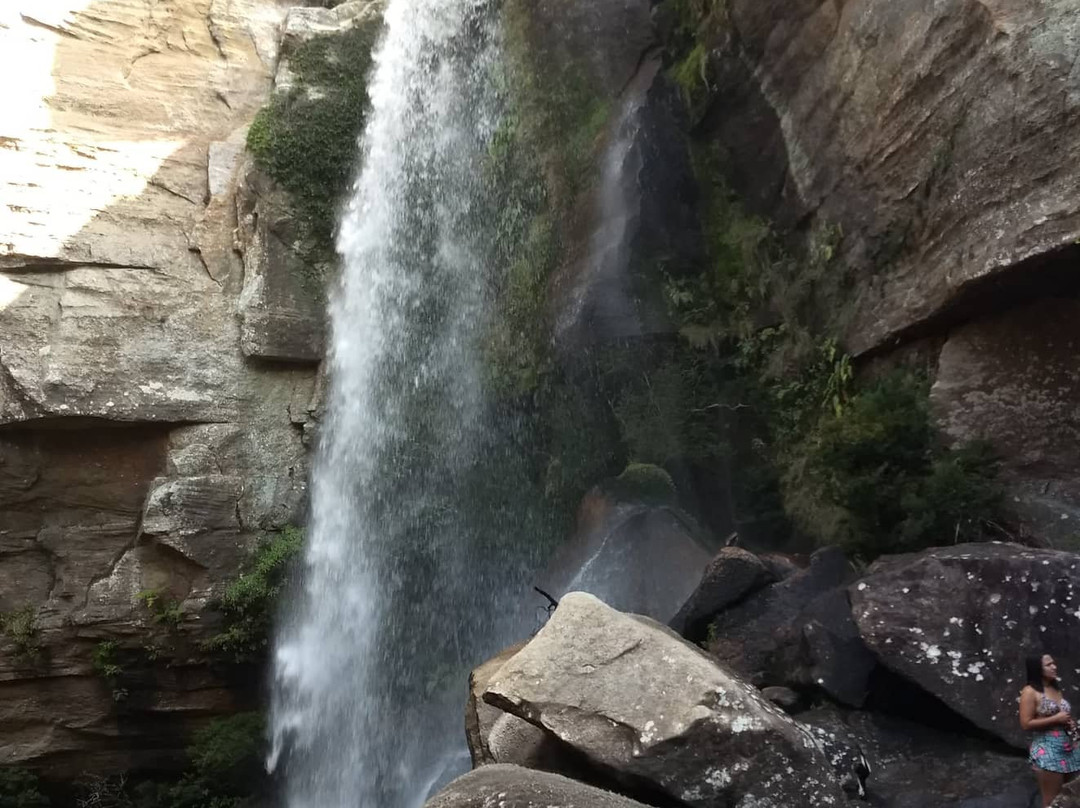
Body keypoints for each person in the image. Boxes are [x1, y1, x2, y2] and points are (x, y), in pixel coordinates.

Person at [1020, 654, 1080, 806]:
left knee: (1067, 797)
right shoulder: (1029, 691)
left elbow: (1061, 715)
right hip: (1048, 750)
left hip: (1068, 748)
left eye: (1054, 663)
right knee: (1052, 800)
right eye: (1049, 665)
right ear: (1037, 669)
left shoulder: (1054, 688)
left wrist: (1068, 722)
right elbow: (1026, 723)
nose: (1054, 667)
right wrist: (1056, 719)